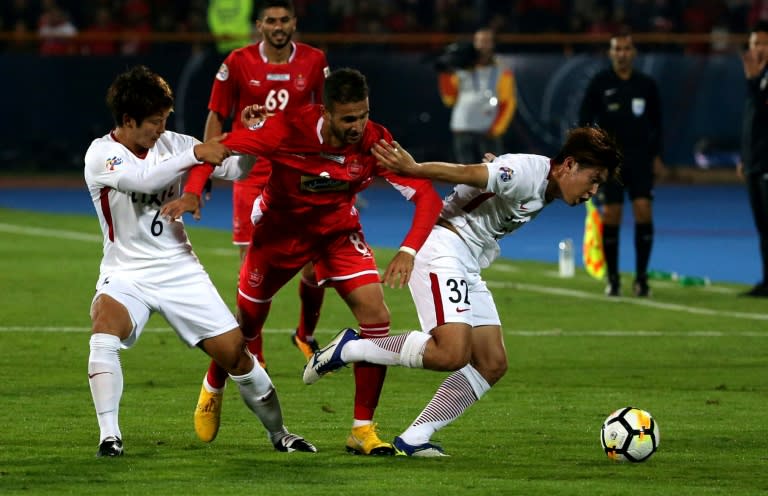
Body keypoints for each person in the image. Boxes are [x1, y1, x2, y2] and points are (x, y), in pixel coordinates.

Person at [165, 67, 443, 455]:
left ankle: (362, 429)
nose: (358, 126)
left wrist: (408, 250)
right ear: (325, 112)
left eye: (363, 115)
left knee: (377, 318)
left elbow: (428, 198)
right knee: (246, 326)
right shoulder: (284, 129)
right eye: (349, 118)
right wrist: (194, 192)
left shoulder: (375, 141)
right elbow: (216, 150)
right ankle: (214, 382)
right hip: (280, 235)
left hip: (336, 234)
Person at [303, 127, 622, 457]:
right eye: (593, 179)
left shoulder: (544, 185)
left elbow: (489, 179)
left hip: (467, 260)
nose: (593, 191)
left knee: (492, 362)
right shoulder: (528, 173)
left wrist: (496, 169)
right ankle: (352, 347)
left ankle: (414, 438)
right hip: (443, 248)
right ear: (569, 165)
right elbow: (467, 173)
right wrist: (415, 169)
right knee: (451, 353)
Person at [83, 65, 316, 457]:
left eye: (164, 120)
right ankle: (110, 436)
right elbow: (144, 180)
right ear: (128, 120)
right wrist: (196, 153)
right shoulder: (101, 154)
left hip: (179, 269)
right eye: (154, 122)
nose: (160, 129)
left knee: (236, 355)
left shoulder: (175, 143)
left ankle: (281, 434)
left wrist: (248, 137)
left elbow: (238, 169)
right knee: (105, 329)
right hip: (126, 272)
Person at [204, 0, 330, 380]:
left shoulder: (315, 60)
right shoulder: (238, 61)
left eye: (285, 20)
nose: (278, 26)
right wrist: (207, 166)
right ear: (258, 24)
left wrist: (331, 168)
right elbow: (216, 113)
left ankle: (305, 335)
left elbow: (327, 114)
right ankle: (255, 351)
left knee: (314, 263)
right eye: (271, 21)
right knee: (252, 267)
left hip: (299, 174)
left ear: (295, 22)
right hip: (252, 172)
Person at [578, 29, 665, 297]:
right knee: (612, 214)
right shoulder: (600, 82)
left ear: (633, 53)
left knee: (643, 211)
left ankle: (641, 279)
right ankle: (613, 279)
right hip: (609, 162)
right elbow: (584, 119)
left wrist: (658, 157)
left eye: (626, 49)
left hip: (640, 159)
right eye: (617, 49)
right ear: (610, 52)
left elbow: (657, 123)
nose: (622, 54)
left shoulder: (646, 84)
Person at [437, 27, 517, 164]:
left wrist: (497, 128)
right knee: (464, 177)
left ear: (493, 44)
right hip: (462, 128)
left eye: (486, 41)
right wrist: (445, 74)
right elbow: (449, 100)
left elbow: (508, 102)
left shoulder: (502, 70)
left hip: (488, 130)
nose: (482, 45)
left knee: (493, 176)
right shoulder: (461, 68)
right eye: (479, 41)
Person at [737, 21, 768, 297]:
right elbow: (752, 124)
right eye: (754, 43)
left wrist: (756, 82)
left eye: (763, 43)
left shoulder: (761, 79)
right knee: (762, 226)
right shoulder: (755, 78)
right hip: (755, 163)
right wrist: (745, 158)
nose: (757, 49)